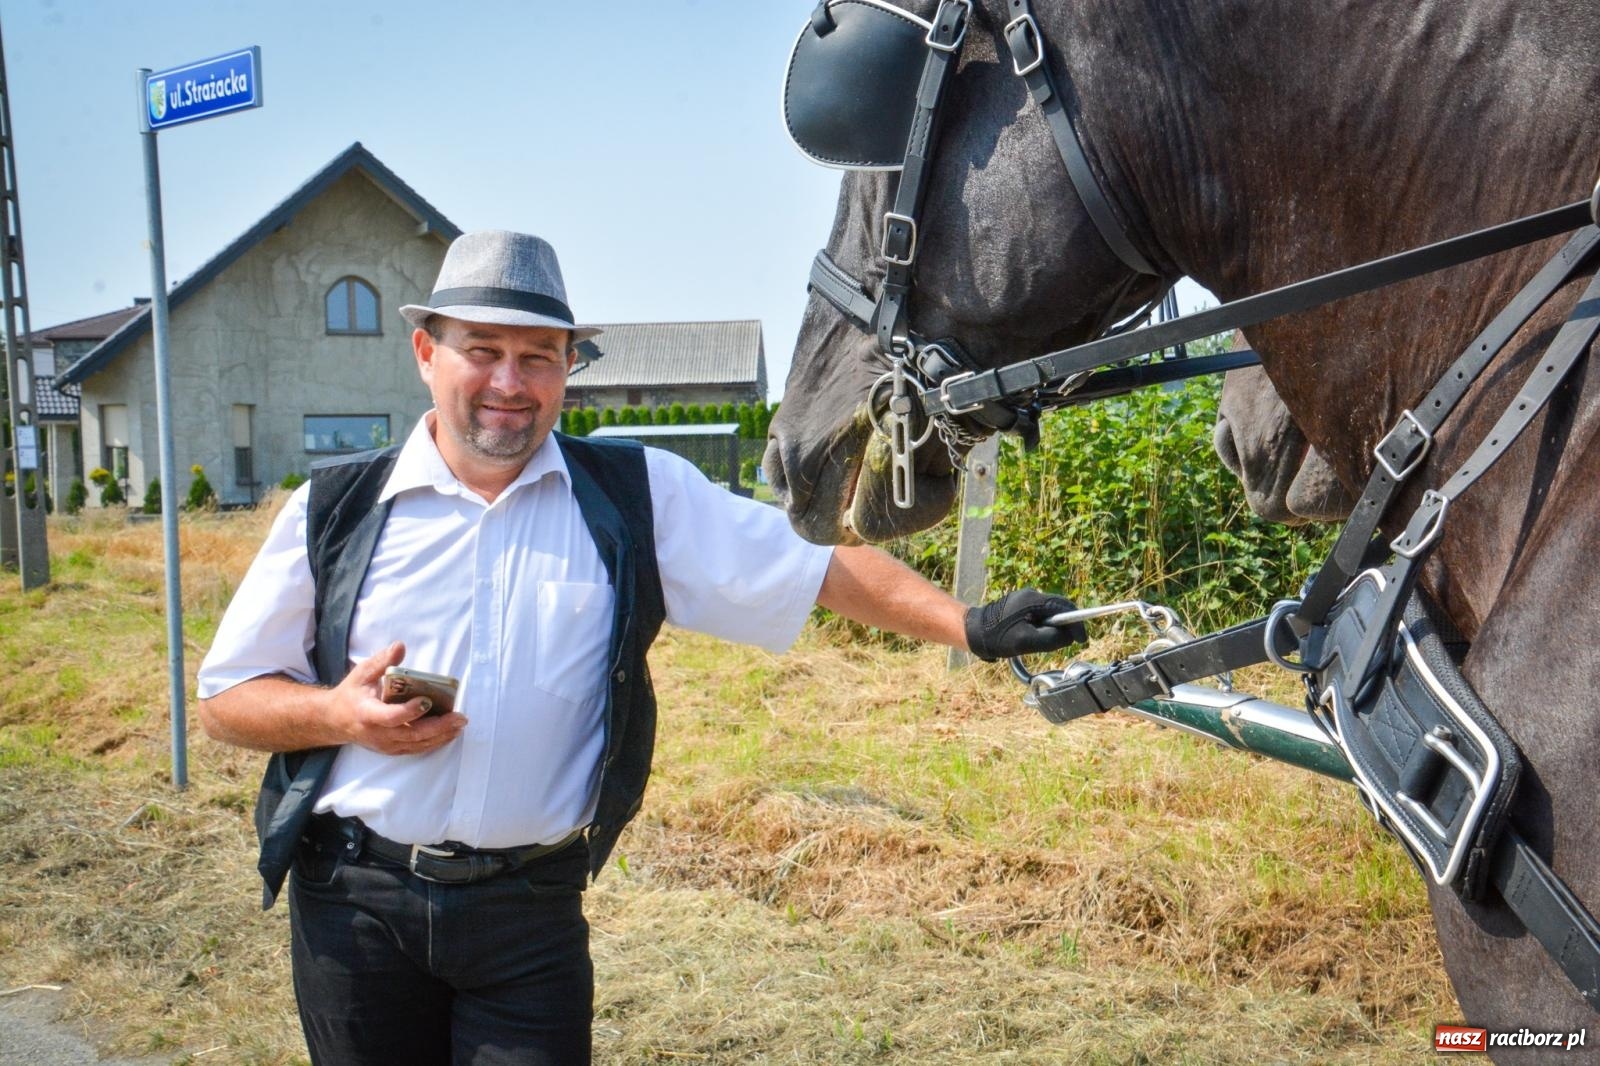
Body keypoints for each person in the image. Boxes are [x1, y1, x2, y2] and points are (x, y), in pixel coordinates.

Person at [196, 230, 1085, 1066]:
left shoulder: (632, 496)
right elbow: (227, 703)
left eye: (538, 355)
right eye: (483, 350)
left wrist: (966, 624)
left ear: (569, 369)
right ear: (427, 353)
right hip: (356, 909)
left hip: (530, 917)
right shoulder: (336, 509)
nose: (510, 380)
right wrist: (335, 715)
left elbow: (812, 566)